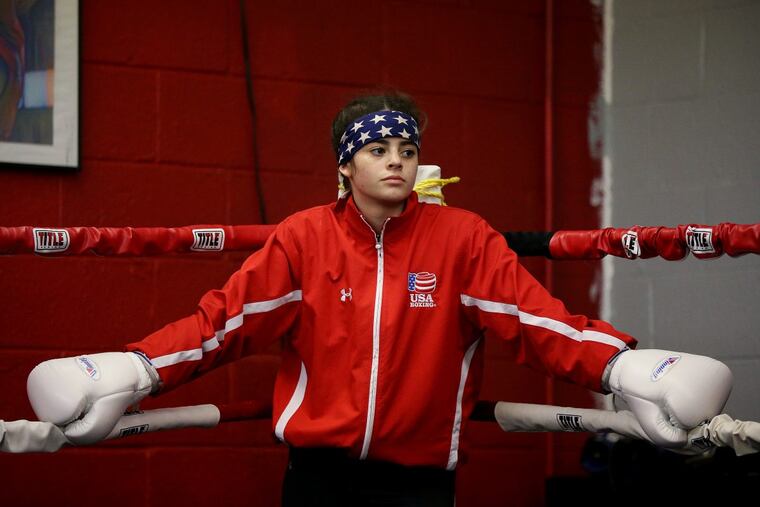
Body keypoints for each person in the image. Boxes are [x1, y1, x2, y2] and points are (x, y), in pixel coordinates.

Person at [26, 91, 732, 506]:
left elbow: (535, 319)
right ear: (345, 163)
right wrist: (132, 369)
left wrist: (625, 365)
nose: (397, 160)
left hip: (419, 484)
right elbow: (223, 323)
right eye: (378, 149)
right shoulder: (304, 238)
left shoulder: (462, 238)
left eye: (406, 148)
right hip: (319, 480)